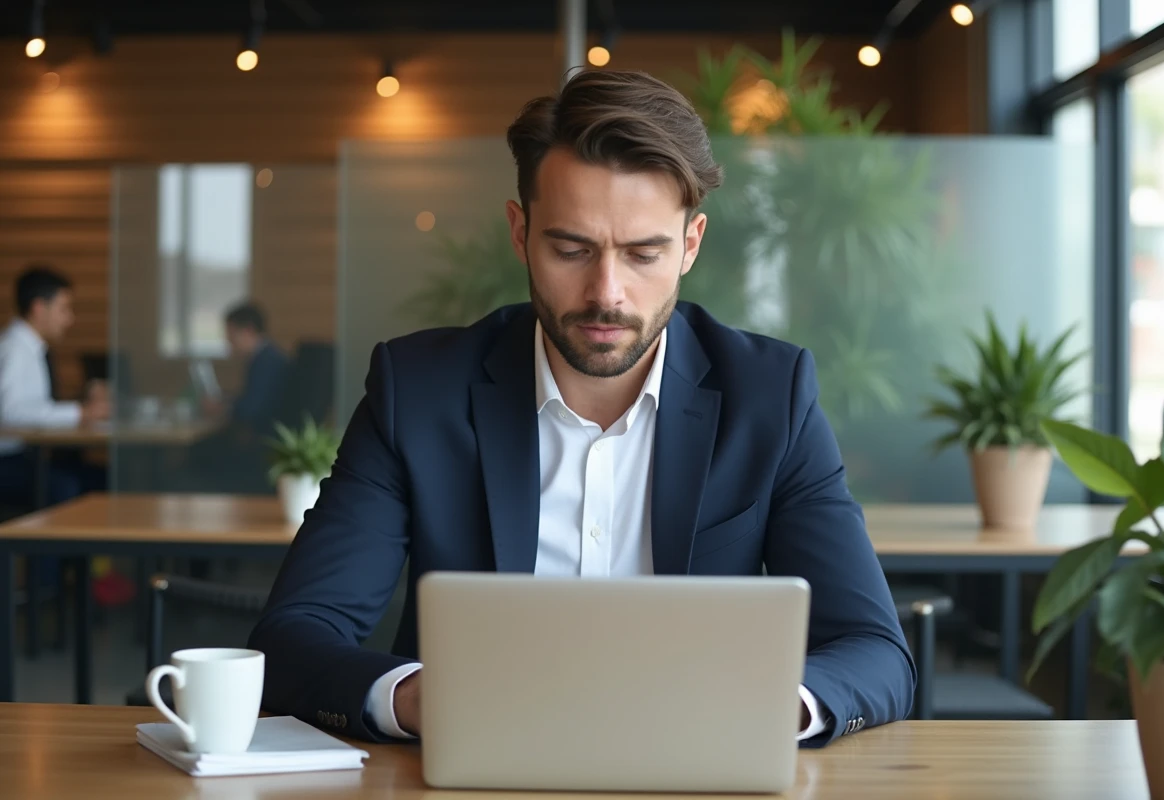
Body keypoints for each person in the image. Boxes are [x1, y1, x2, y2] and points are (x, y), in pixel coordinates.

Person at [250, 70, 914, 747]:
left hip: (700, 775)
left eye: (643, 253)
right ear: (521, 233)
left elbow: (876, 652)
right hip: (474, 776)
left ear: (690, 244)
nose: (607, 293)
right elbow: (294, 635)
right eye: (571, 249)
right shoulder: (418, 390)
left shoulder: (771, 395)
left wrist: (775, 709)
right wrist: (420, 699)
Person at [0, 265, 110, 506]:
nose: (69, 319)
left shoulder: (32, 349)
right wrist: (81, 412)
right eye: (63, 309)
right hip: (9, 461)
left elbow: (34, 405)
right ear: (39, 308)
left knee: (99, 477)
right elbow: (10, 413)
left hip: (28, 457)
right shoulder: (14, 350)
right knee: (71, 484)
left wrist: (82, 399)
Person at [204, 302, 289, 437]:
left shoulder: (267, 362)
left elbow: (251, 409)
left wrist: (222, 408)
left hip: (264, 439)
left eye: (231, 336)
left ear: (248, 331)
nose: (229, 343)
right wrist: (228, 400)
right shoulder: (265, 357)